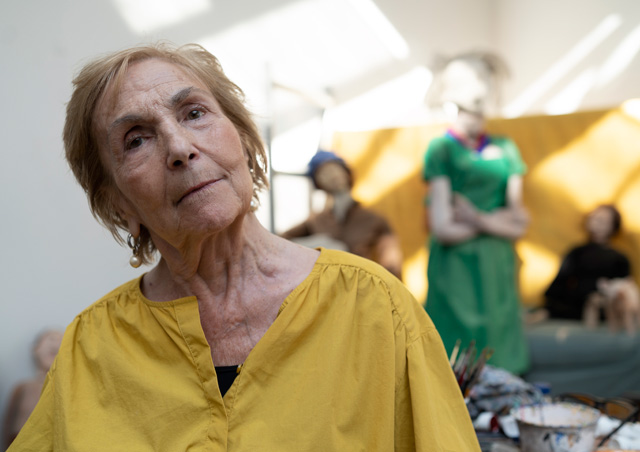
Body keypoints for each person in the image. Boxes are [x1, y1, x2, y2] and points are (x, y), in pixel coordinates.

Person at [8, 43, 479, 451]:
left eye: (194, 113)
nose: (179, 147)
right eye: (136, 140)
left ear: (244, 140)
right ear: (116, 202)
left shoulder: (375, 307)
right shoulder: (89, 348)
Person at [422, 54, 530, 375]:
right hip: (455, 267)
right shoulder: (440, 149)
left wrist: (475, 218)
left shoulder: (507, 148)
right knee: (455, 357)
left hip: (498, 263)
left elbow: (520, 221)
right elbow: (443, 227)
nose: (476, 114)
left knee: (502, 345)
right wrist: (497, 223)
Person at [282, 150, 403, 279]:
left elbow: (392, 265)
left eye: (335, 169)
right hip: (327, 288)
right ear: (318, 183)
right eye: (323, 173)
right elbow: (280, 242)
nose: (332, 175)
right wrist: (317, 244)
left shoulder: (372, 219)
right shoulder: (316, 220)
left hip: (361, 288)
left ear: (346, 172)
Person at [545, 204, 640, 334]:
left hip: (609, 308)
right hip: (576, 306)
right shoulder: (576, 253)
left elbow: (625, 287)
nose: (596, 223)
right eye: (594, 218)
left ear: (613, 226)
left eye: (602, 220)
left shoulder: (620, 258)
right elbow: (557, 287)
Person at [3, 330, 63, 448]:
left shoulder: (68, 390)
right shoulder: (24, 387)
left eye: (61, 341)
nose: (56, 345)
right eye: (51, 339)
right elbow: (7, 425)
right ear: (36, 349)